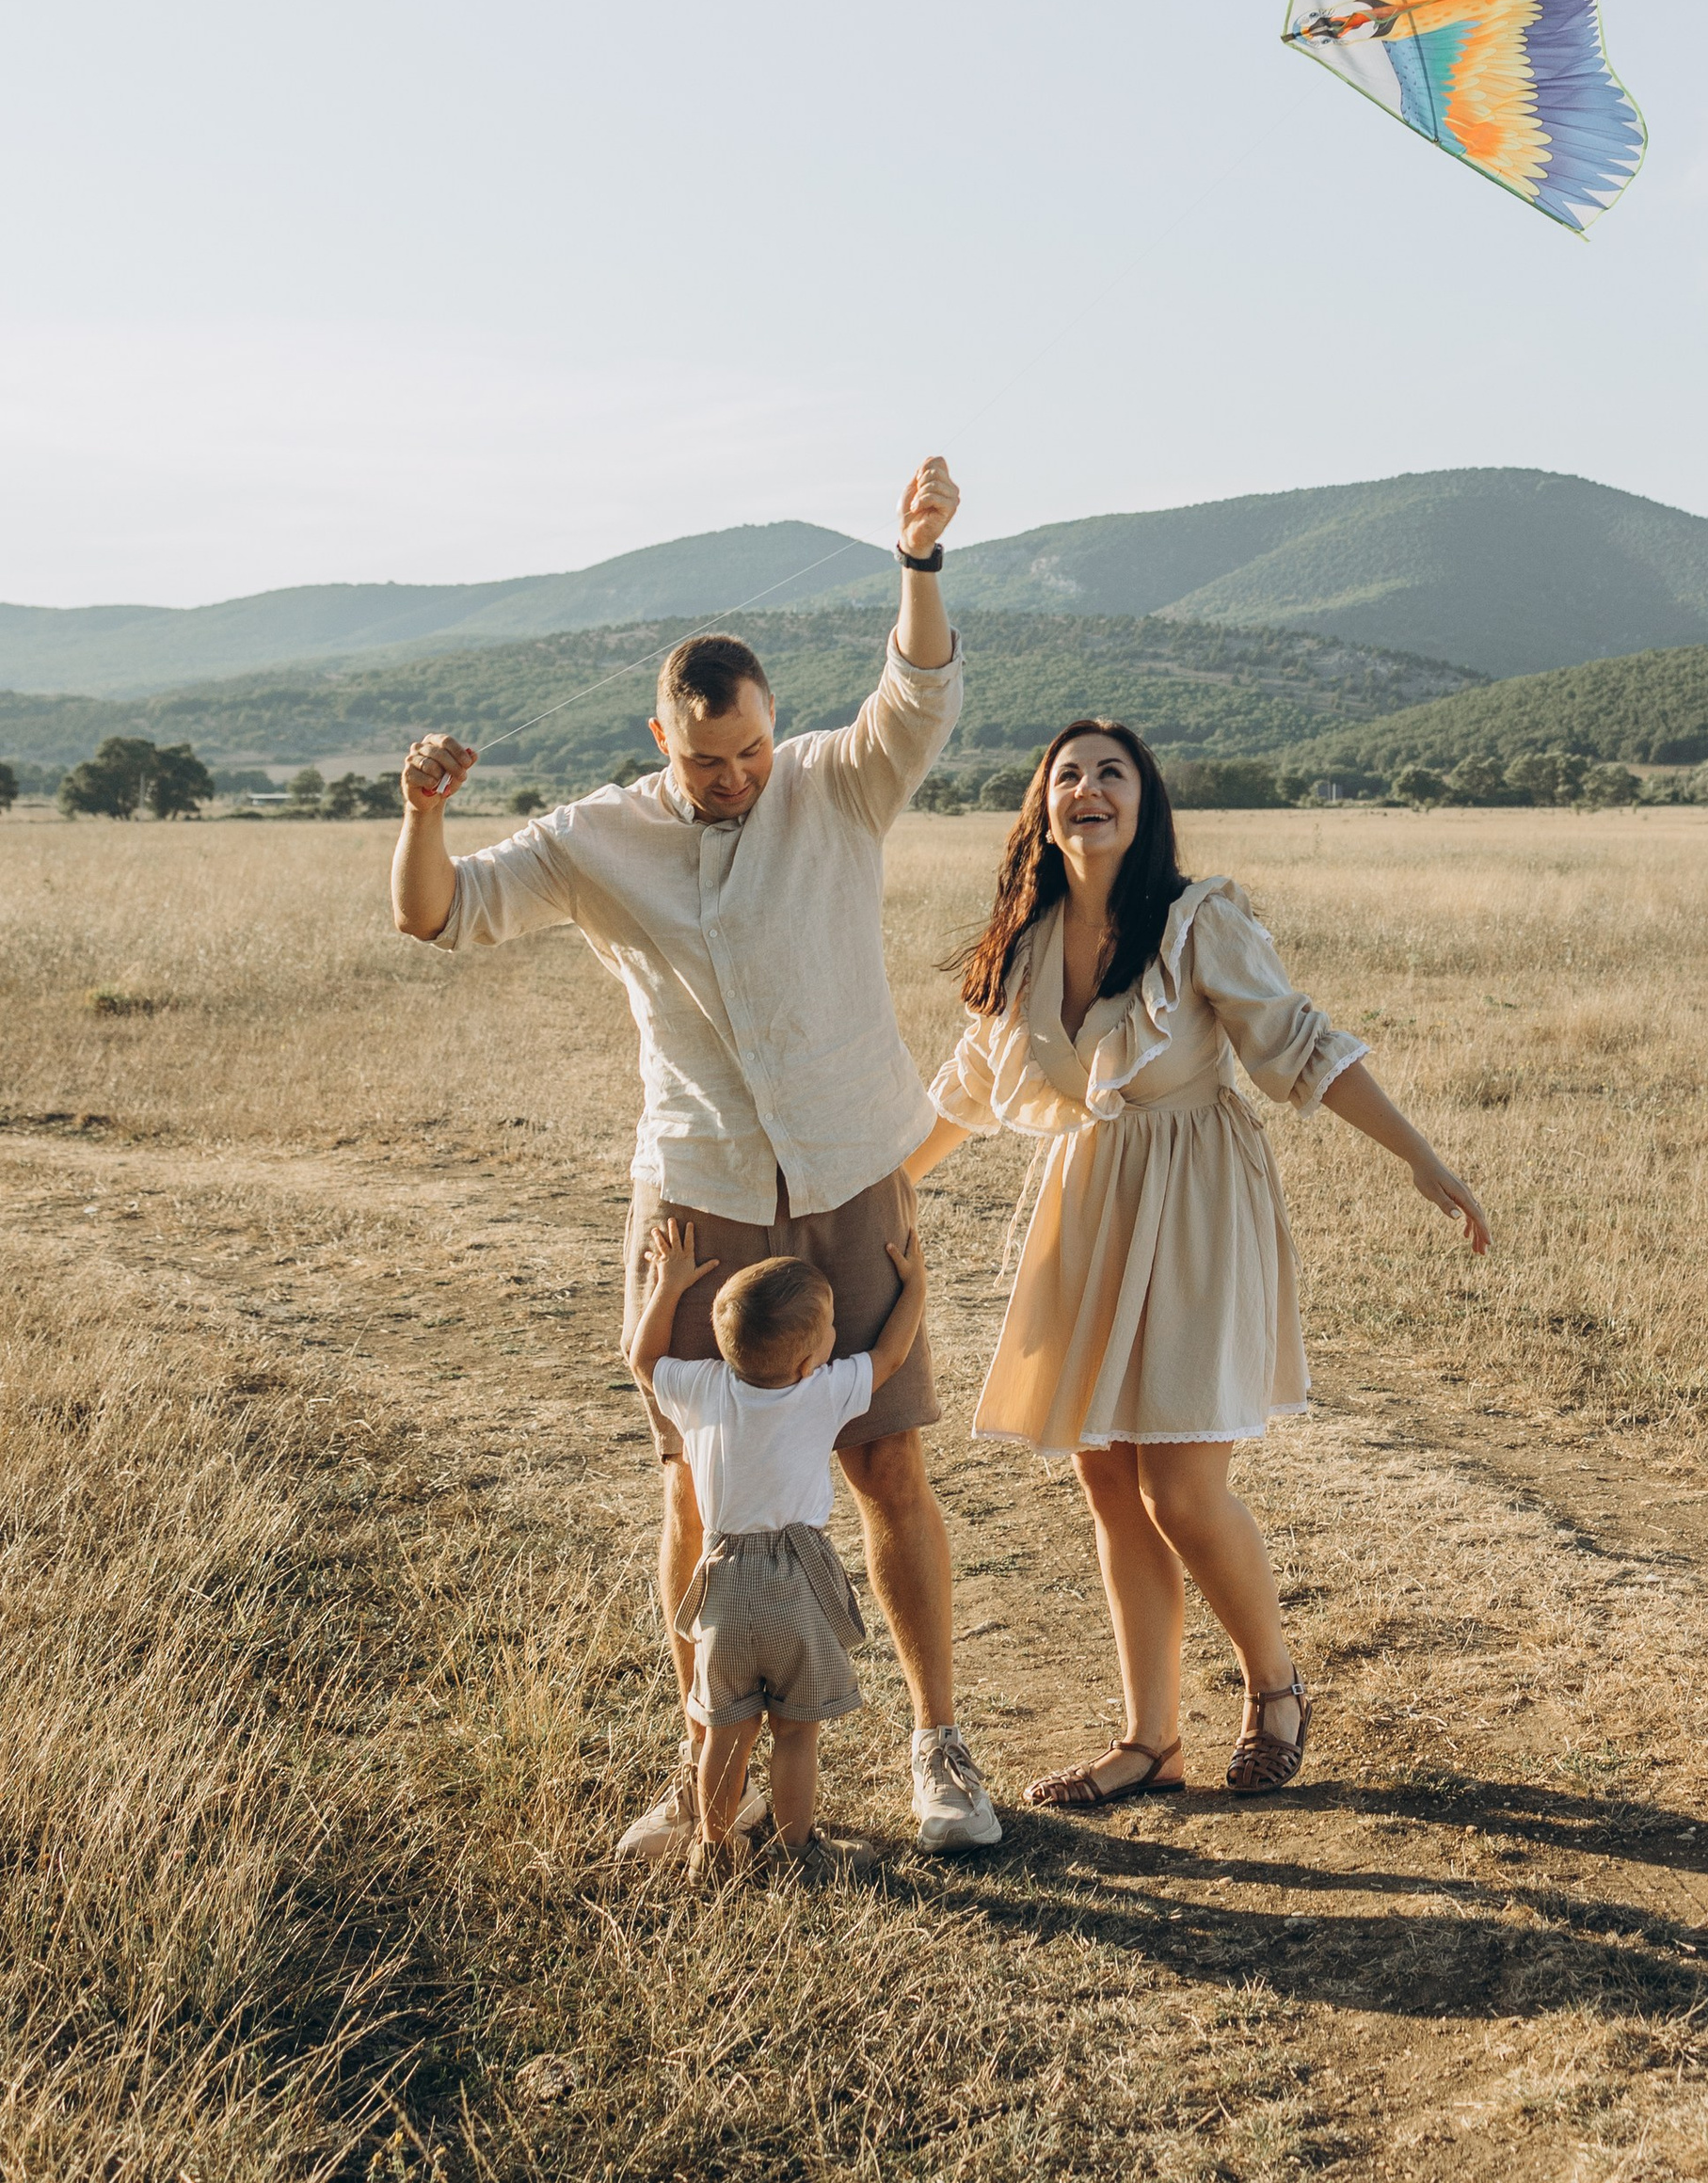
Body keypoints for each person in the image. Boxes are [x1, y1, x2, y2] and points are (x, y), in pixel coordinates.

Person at [389, 457, 1001, 1860]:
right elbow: (442, 916)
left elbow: (919, 697)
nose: (728, 782)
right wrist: (422, 812)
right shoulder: (598, 838)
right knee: (697, 1489)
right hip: (705, 1193)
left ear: (774, 732)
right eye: (700, 759)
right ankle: (698, 1768)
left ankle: (937, 1747)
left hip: (849, 1170)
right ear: (655, 730)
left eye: (745, 756)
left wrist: (916, 564)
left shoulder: (832, 787)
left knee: (890, 1467)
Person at [904, 717, 1490, 1809]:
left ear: (1144, 801)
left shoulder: (1195, 920)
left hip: (1194, 1201)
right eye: (1066, 773)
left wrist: (1420, 1156)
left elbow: (1300, 1042)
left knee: (1181, 1481)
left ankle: (1275, 1690)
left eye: (1110, 773)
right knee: (1106, 1477)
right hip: (1088, 1202)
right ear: (1042, 805)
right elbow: (965, 1093)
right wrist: (884, 1194)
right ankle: (1150, 1741)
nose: (1087, 788)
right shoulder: (1024, 942)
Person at [628, 1215, 930, 1877]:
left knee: (725, 1731)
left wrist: (668, 1284)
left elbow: (642, 1358)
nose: (833, 1339)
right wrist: (914, 1287)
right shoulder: (821, 1392)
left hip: (723, 1584)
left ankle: (712, 1849)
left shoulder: (703, 1388)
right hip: (795, 1580)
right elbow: (892, 1356)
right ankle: (798, 1853)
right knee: (795, 1731)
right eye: (827, 1333)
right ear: (806, 1359)